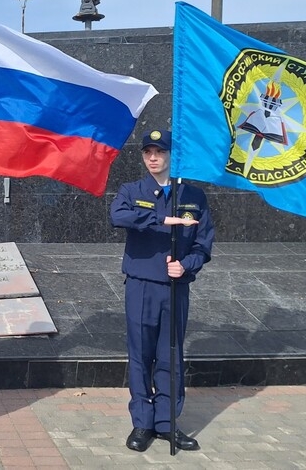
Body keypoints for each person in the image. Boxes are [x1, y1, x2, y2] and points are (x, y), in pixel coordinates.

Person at [109, 129, 214, 453]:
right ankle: (142, 422)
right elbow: (117, 216)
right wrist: (161, 219)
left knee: (170, 356)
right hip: (141, 284)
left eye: (160, 152)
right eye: (148, 152)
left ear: (172, 155)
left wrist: (186, 266)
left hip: (174, 286)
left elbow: (203, 244)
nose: (153, 157)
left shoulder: (193, 197)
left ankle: (168, 423)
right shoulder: (133, 190)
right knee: (141, 355)